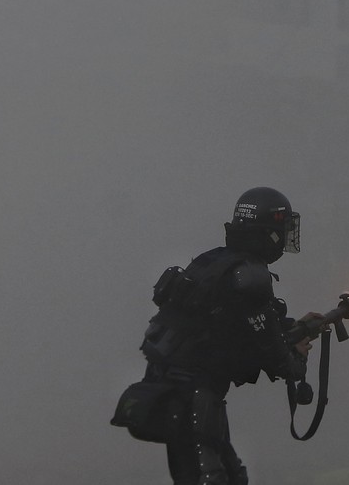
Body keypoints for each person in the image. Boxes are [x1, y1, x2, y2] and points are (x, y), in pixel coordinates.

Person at [114, 187, 320, 485]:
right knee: (210, 479)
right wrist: (297, 354)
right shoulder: (250, 276)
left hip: (174, 388)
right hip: (195, 398)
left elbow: (235, 326)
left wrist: (293, 326)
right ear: (269, 231)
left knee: (230, 477)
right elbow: (277, 360)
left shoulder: (214, 262)